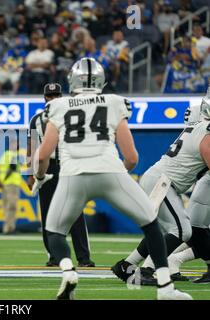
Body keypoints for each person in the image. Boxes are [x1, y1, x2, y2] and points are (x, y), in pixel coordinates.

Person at [32, 57, 191, 300]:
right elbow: (132, 156)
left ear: (72, 80)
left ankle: (67, 270)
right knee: (151, 224)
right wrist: (119, 176)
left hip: (73, 175)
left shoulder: (59, 106)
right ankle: (166, 289)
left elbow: (43, 154)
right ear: (101, 80)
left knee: (54, 232)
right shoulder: (115, 102)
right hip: (109, 170)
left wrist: (41, 176)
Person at [111, 88, 210, 286]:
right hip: (164, 182)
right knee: (182, 230)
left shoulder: (198, 126)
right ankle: (144, 271)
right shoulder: (206, 130)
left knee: (166, 231)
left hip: (159, 179)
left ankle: (126, 265)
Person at [27, 83, 94, 267]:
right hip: (46, 168)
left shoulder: (73, 116)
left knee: (75, 212)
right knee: (48, 213)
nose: (53, 99)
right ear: (45, 98)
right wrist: (29, 173)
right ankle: (55, 256)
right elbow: (32, 146)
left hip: (68, 165)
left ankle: (84, 257)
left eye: (56, 95)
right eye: (50, 96)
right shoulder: (36, 120)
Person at [159, 92, 210, 284]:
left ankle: (162, 261)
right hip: (204, 177)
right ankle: (169, 260)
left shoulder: (199, 112)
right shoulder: (200, 116)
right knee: (194, 228)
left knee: (192, 228)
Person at [0, 139, 22, 235]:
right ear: (12, 145)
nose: (17, 146)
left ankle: (7, 227)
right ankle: (9, 228)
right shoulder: (13, 155)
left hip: (5, 184)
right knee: (12, 206)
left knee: (6, 206)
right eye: (16, 144)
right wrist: (4, 180)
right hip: (12, 183)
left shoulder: (4, 155)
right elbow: (12, 168)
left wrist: (0, 181)